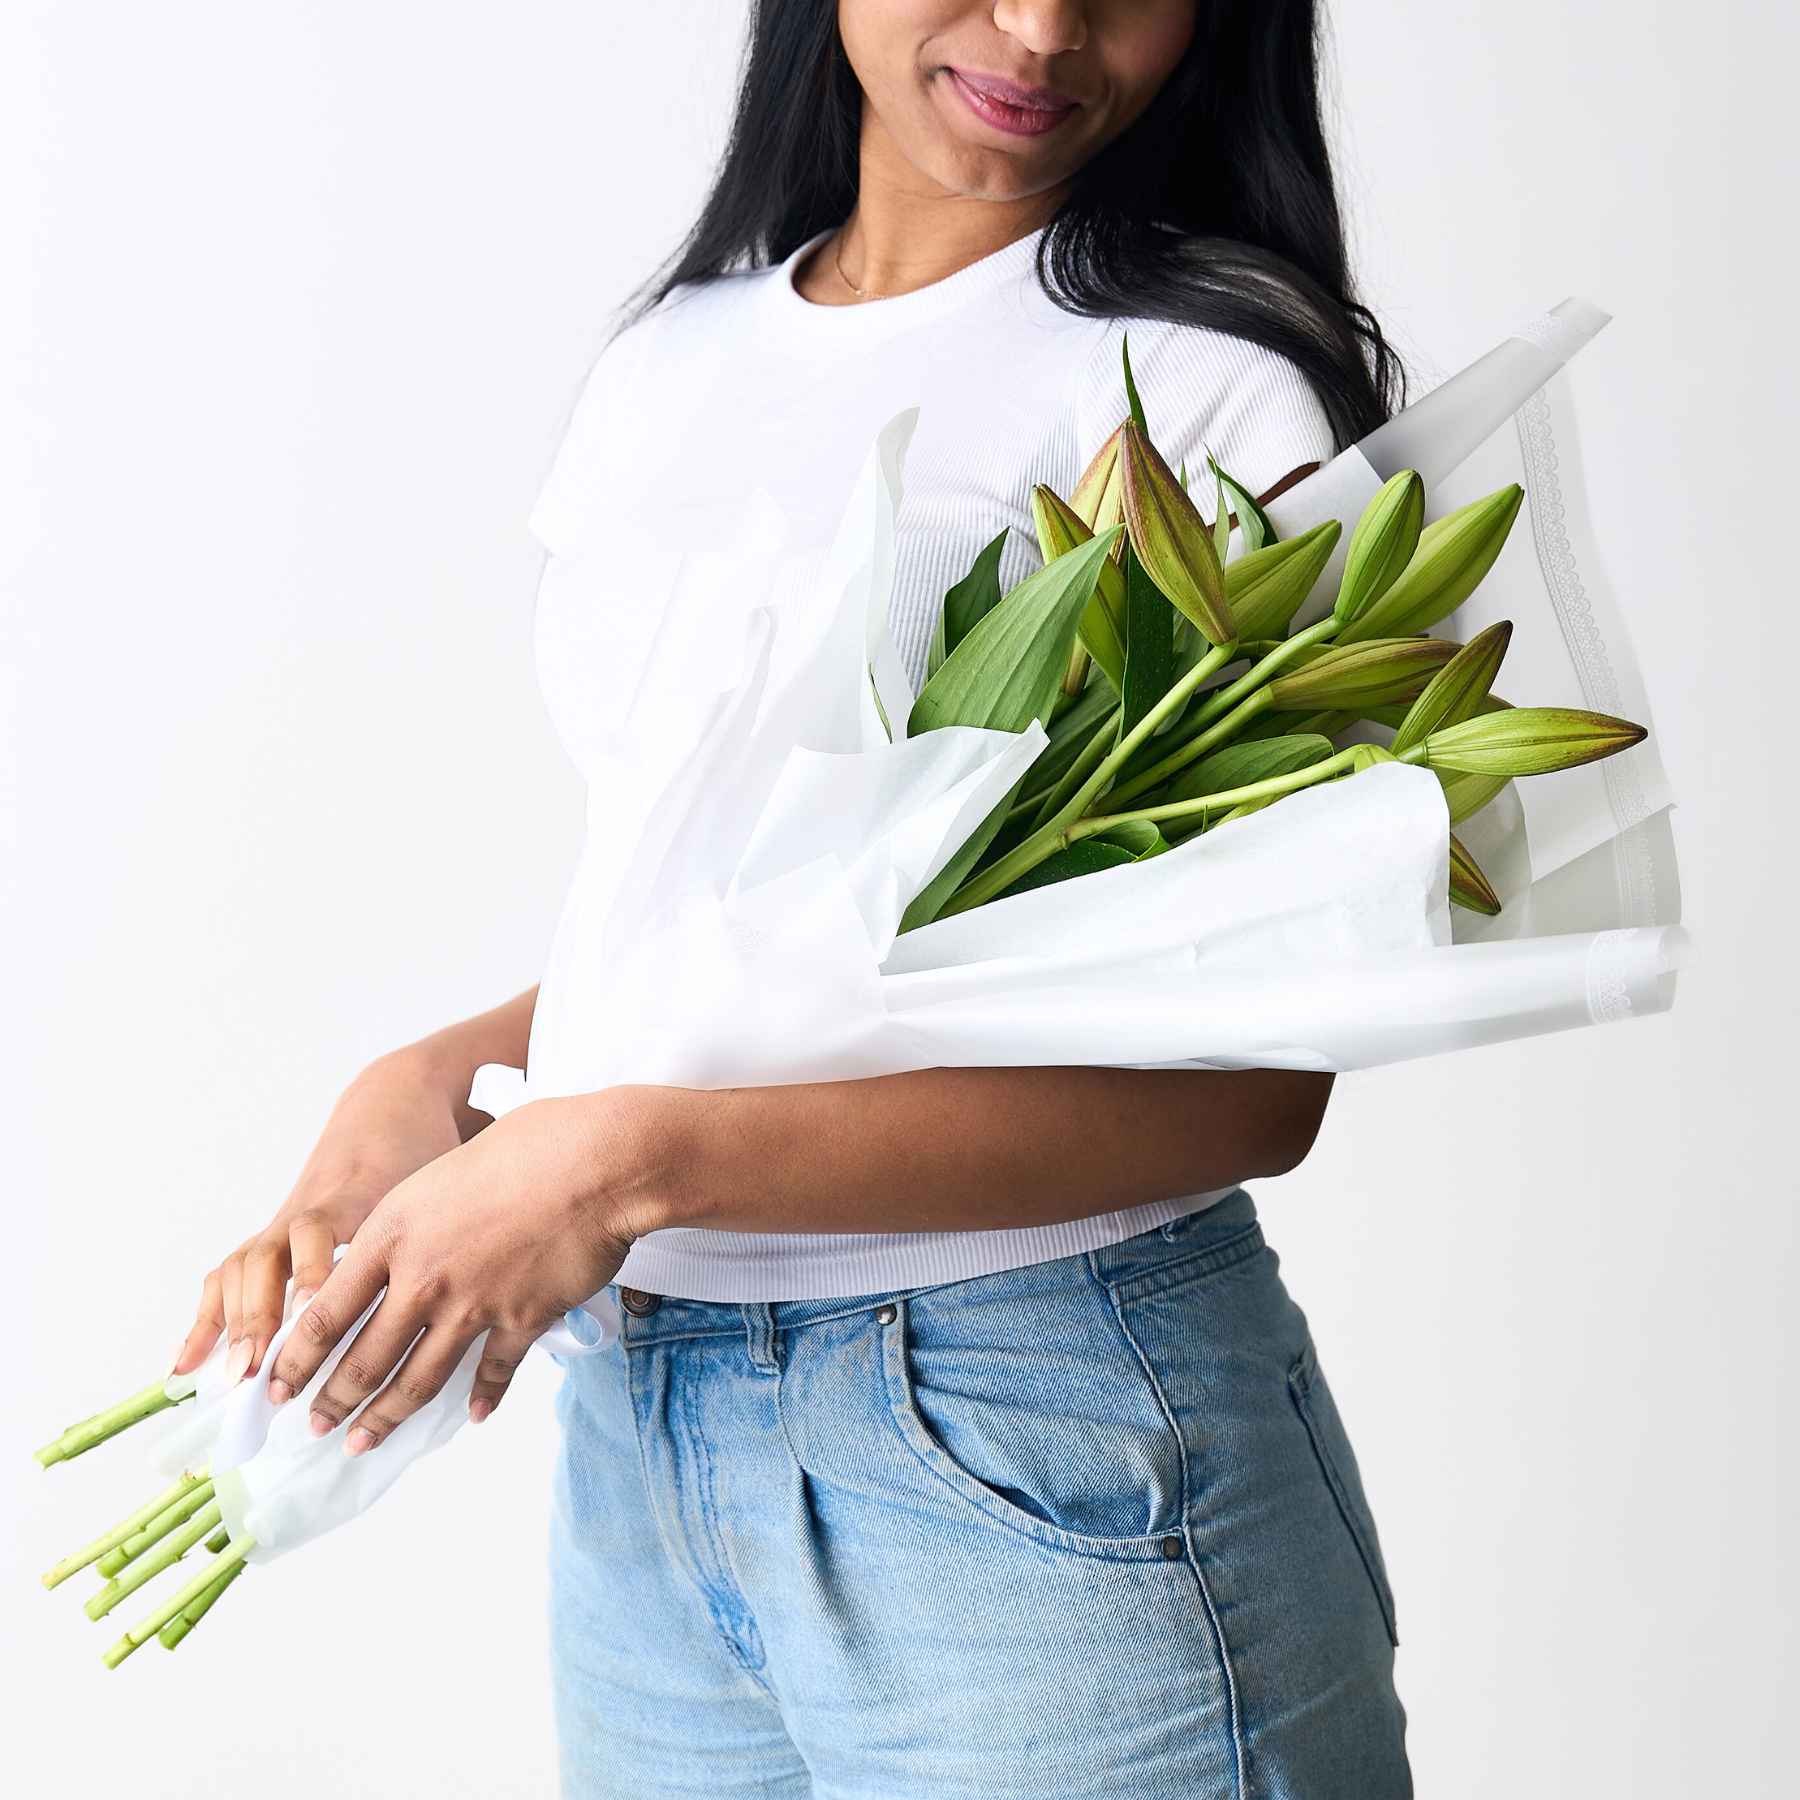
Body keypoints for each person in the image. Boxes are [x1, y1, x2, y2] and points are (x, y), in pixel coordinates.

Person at [174, 3, 1412, 1793]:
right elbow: (794, 927)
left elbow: (1256, 1087)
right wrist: (432, 1088)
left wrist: (615, 1161)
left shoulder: (1214, 391)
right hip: (647, 1446)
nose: (1047, 29)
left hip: (1039, 1431)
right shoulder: (674, 361)